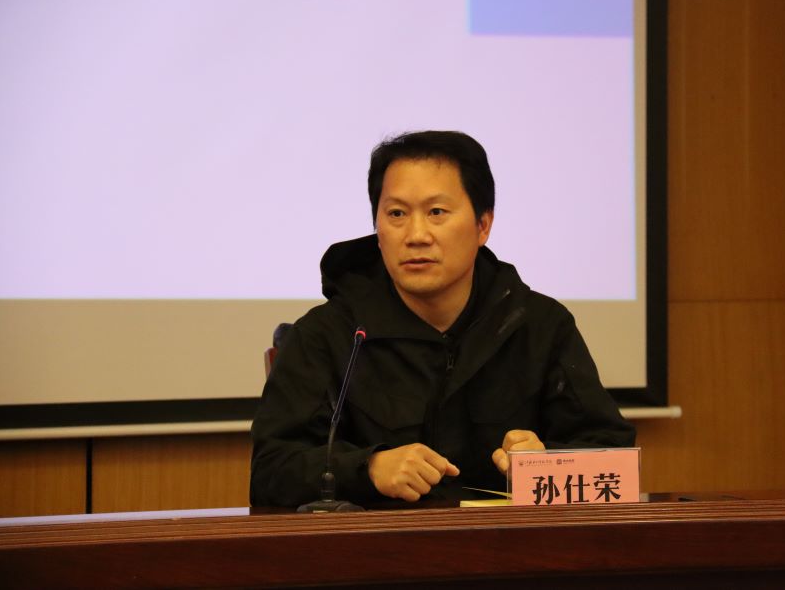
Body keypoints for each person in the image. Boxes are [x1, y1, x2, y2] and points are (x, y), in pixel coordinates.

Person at [249, 130, 635, 507]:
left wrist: (546, 463)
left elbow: (612, 459)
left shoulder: (539, 325)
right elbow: (270, 472)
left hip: (507, 544)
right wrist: (368, 468)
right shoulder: (329, 334)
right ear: (377, 229)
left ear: (483, 225)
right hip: (379, 546)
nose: (416, 235)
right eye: (396, 213)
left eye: (436, 212)